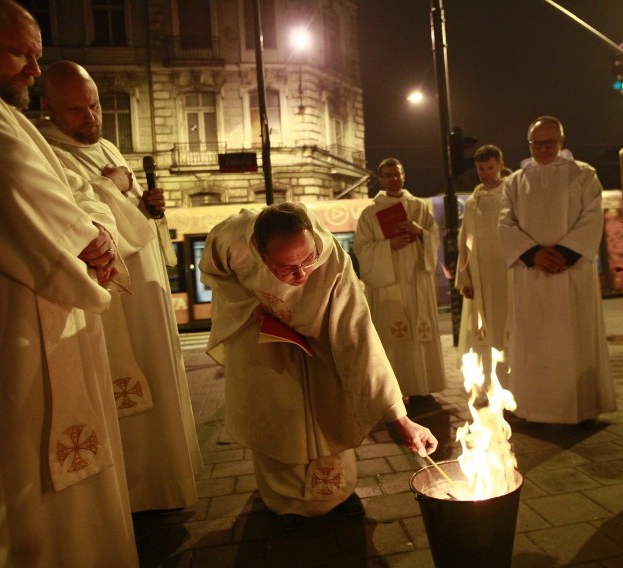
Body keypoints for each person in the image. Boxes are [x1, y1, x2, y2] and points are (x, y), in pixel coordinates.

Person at [0, 1, 138, 565]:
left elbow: (57, 192)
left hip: (27, 313)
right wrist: (90, 241)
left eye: (37, 56)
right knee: (13, 470)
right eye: (21, 54)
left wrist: (93, 227)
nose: (33, 69)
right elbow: (17, 182)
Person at [199, 202, 437, 531]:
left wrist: (401, 419)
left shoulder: (333, 263)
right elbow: (212, 272)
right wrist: (248, 304)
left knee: (329, 408)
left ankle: (337, 495)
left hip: (323, 342)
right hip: (260, 341)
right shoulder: (233, 242)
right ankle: (283, 500)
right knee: (278, 413)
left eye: (307, 259)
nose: (300, 275)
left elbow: (358, 339)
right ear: (259, 253)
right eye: (285, 268)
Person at [36, 60, 203, 512]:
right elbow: (76, 213)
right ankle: (138, 493)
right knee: (129, 386)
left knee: (162, 378)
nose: (89, 118)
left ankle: (168, 480)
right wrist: (111, 186)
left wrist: (148, 205)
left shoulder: (109, 146)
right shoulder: (47, 151)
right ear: (48, 106)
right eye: (76, 110)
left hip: (147, 286)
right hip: (116, 300)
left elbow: (133, 219)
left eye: (94, 106)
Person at [498, 116, 615, 424]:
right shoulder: (514, 181)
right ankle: (532, 407)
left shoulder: (583, 174)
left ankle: (578, 408)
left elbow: (592, 217)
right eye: (537, 143)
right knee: (533, 343)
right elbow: (504, 222)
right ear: (529, 144)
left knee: (573, 341)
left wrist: (564, 252)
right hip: (531, 276)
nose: (544, 149)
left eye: (550, 142)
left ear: (562, 142)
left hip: (572, 274)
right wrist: (534, 254)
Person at [353, 158, 446, 404]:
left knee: (419, 334)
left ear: (404, 176)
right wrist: (388, 246)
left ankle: (422, 390)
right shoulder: (370, 212)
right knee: (393, 338)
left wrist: (420, 232)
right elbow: (361, 249)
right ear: (381, 179)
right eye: (388, 175)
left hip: (416, 280)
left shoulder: (419, 207)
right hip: (389, 284)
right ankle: (394, 392)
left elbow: (434, 238)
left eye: (397, 174)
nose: (394, 179)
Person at [456, 145, 513, 390]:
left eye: (490, 168)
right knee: (483, 333)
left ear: (500, 165)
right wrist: (465, 278)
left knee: (508, 330)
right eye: (481, 169)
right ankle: (489, 385)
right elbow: (465, 241)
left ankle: (513, 385)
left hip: (507, 275)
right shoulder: (472, 202)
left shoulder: (511, 194)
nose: (486, 173)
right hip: (480, 278)